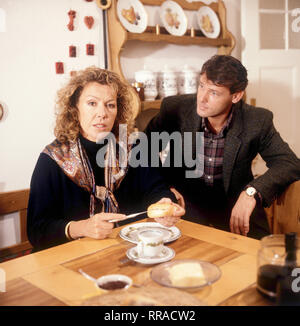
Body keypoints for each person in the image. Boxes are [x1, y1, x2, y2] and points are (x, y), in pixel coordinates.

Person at [27, 67, 184, 251]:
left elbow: (156, 190)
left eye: (110, 105)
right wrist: (82, 228)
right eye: (92, 103)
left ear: (118, 111)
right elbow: (37, 230)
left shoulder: (135, 148)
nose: (102, 113)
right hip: (70, 258)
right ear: (74, 108)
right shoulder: (53, 159)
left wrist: (164, 204)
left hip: (129, 250)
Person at [145, 55, 300, 239]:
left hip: (234, 207)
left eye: (214, 92)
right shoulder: (175, 108)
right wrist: (164, 188)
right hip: (185, 205)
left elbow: (289, 162)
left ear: (236, 96)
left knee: (258, 260)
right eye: (201, 86)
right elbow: (144, 151)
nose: (201, 98)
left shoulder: (257, 120)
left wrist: (251, 192)